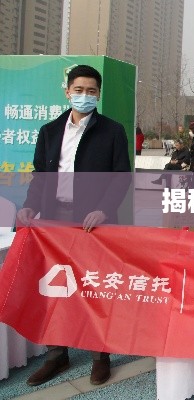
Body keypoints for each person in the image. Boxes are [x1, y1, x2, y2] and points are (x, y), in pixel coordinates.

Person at [16, 64, 131, 386]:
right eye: (79, 90)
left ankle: (100, 356)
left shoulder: (111, 131)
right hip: (55, 221)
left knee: (94, 287)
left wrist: (104, 210)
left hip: (93, 224)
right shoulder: (49, 131)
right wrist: (30, 206)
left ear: (99, 94)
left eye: (91, 91)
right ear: (67, 92)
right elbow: (41, 177)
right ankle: (57, 355)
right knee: (56, 289)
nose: (85, 96)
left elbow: (121, 177)